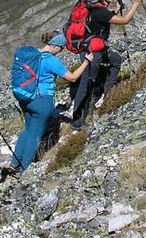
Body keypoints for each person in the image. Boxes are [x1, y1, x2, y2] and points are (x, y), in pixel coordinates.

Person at [11, 31, 94, 173]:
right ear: (55, 45)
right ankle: (23, 170)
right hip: (42, 101)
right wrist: (86, 62)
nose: (61, 51)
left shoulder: (34, 54)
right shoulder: (51, 60)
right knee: (35, 134)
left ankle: (14, 163)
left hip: (25, 97)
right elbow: (72, 77)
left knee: (28, 129)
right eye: (61, 48)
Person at [70, 0, 143, 131]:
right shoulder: (99, 11)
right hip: (92, 54)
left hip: (98, 49)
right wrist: (136, 3)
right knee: (87, 83)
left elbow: (103, 20)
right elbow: (124, 21)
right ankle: (78, 119)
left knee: (116, 60)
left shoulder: (97, 8)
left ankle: (107, 94)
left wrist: (115, 10)